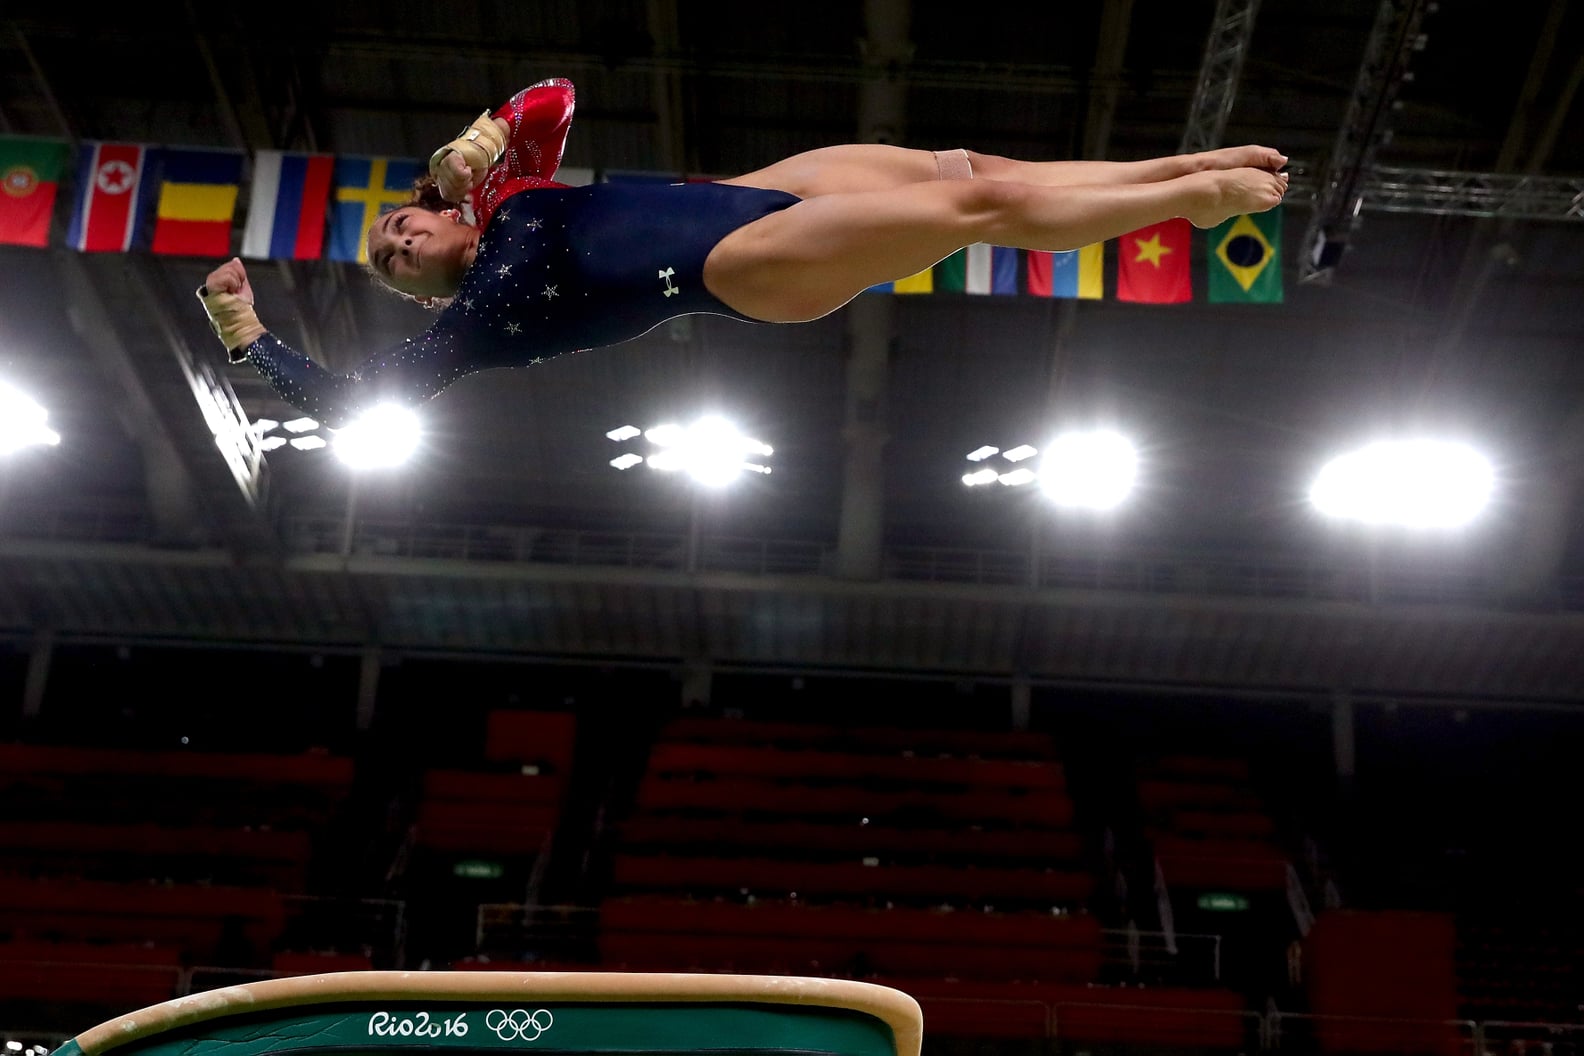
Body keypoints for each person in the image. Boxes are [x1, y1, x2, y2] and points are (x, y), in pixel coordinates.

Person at [200, 78, 1287, 428]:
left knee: (967, 167)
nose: (399, 240)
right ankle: (1189, 202)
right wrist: (246, 335)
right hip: (744, 267)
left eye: (397, 224)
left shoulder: (509, 191)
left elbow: (555, 98)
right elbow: (351, 406)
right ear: (424, 281)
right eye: (394, 261)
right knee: (985, 211)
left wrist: (484, 135)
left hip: (756, 194)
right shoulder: (475, 322)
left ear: (433, 207)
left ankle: (1176, 169)